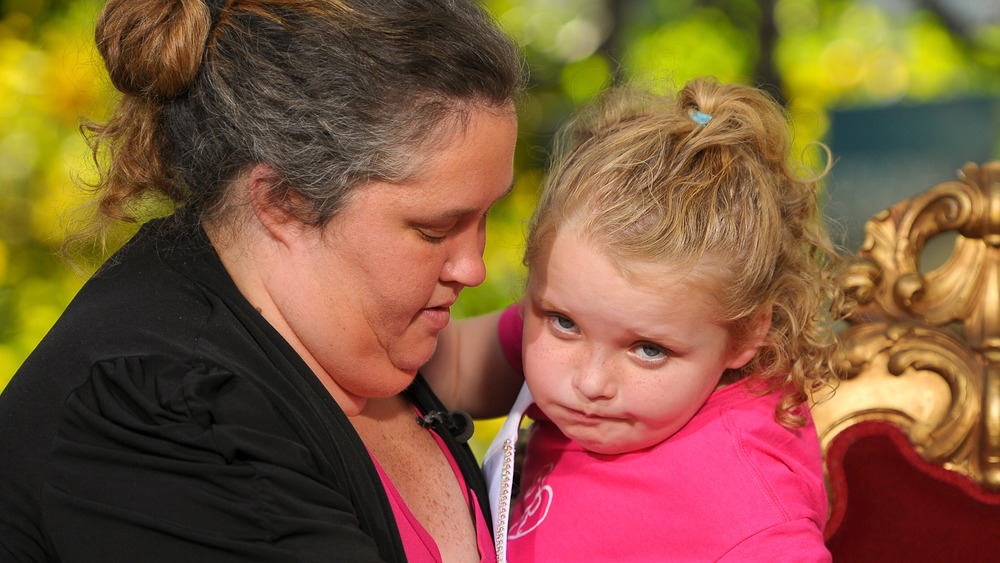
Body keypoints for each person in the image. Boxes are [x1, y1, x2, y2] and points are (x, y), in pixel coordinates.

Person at [0, 0, 525, 561]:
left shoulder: (343, 332)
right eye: (434, 228)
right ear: (284, 203)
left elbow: (523, 352)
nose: (474, 267)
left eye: (485, 215)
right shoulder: (161, 417)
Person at [434, 77, 844, 561]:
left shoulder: (750, 517)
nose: (589, 382)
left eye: (649, 350)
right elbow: (451, 369)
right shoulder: (586, 319)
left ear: (748, 332)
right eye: (563, 323)